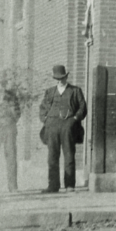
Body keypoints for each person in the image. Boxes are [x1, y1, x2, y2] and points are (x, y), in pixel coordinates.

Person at [38, 64, 87, 193]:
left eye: (62, 78)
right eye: (57, 78)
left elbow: (82, 107)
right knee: (52, 156)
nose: (59, 80)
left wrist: (75, 119)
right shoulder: (50, 92)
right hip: (52, 125)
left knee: (69, 154)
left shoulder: (75, 91)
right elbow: (42, 108)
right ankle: (53, 185)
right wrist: (46, 120)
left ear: (66, 76)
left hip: (68, 125)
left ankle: (70, 185)